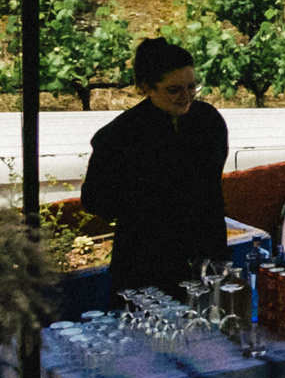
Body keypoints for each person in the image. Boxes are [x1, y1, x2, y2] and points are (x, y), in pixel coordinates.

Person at [79, 37, 229, 294]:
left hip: (206, 258)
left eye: (193, 86)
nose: (187, 96)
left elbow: (210, 183)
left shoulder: (208, 120)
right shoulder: (118, 136)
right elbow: (95, 201)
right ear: (147, 88)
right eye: (174, 90)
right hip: (146, 266)